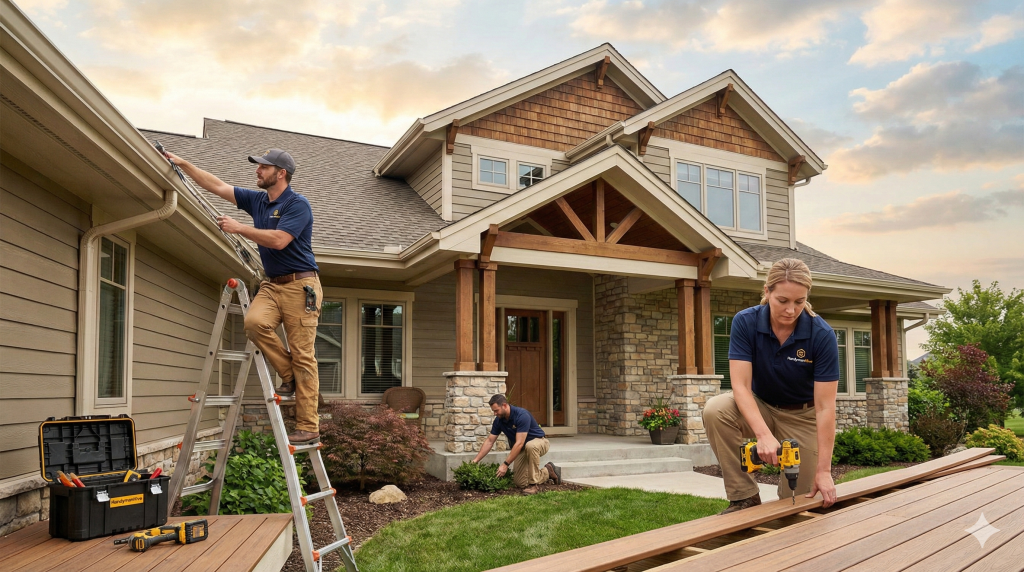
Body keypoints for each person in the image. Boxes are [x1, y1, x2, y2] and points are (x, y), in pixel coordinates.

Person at [162, 147, 323, 444]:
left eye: (263, 167)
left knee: (303, 355)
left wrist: (240, 228)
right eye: (258, 167)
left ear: (281, 173)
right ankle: (290, 377)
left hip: (301, 286)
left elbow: (279, 240)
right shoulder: (258, 200)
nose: (257, 171)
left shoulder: (297, 205)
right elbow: (217, 185)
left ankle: (308, 425)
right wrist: (183, 162)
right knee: (253, 323)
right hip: (272, 284)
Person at [702, 258, 840, 514]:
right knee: (716, 409)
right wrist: (763, 435)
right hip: (761, 405)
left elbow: (824, 407)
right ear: (767, 292)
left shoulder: (821, 335)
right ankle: (744, 496)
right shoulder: (746, 322)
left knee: (798, 504)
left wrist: (824, 471)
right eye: (783, 301)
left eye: (799, 302)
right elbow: (740, 386)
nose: (791, 310)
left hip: (803, 415)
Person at [471, 395, 562, 494]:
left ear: (504, 405)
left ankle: (533, 486)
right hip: (523, 448)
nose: (494, 413)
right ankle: (548, 471)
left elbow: (519, 443)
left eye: (496, 410)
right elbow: (489, 441)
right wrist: (475, 461)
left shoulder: (521, 415)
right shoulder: (499, 420)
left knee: (531, 446)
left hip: (539, 442)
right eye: (493, 411)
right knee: (520, 483)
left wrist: (505, 465)